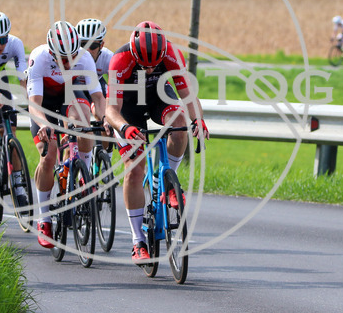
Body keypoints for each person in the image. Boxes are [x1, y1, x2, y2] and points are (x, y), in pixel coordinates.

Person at [104, 21, 208, 264]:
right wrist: (125, 127)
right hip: (128, 107)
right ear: (133, 52)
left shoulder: (172, 54)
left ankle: (169, 183)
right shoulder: (120, 60)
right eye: (144, 65)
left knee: (180, 124)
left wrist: (198, 121)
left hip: (158, 96)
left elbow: (188, 96)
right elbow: (111, 109)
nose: (150, 70)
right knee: (135, 169)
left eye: (154, 65)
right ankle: (138, 240)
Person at [27, 20, 109, 249]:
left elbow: (98, 98)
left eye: (72, 56)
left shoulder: (83, 59)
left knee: (83, 120)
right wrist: (44, 125)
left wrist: (103, 121)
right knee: (49, 155)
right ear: (52, 53)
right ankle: (43, 220)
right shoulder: (39, 58)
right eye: (63, 59)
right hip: (44, 103)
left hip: (70, 95)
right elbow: (34, 104)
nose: (69, 62)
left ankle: (84, 176)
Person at [0, 11, 30, 210]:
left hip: (2, 83)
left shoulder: (15, 44)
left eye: (3, 39)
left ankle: (17, 184)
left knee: (11, 132)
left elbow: (22, 76)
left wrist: (27, 98)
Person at [76, 17, 112, 95]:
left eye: (93, 45)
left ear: (101, 45)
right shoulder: (69, 56)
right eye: (83, 45)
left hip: (97, 83)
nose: (87, 50)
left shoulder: (108, 57)